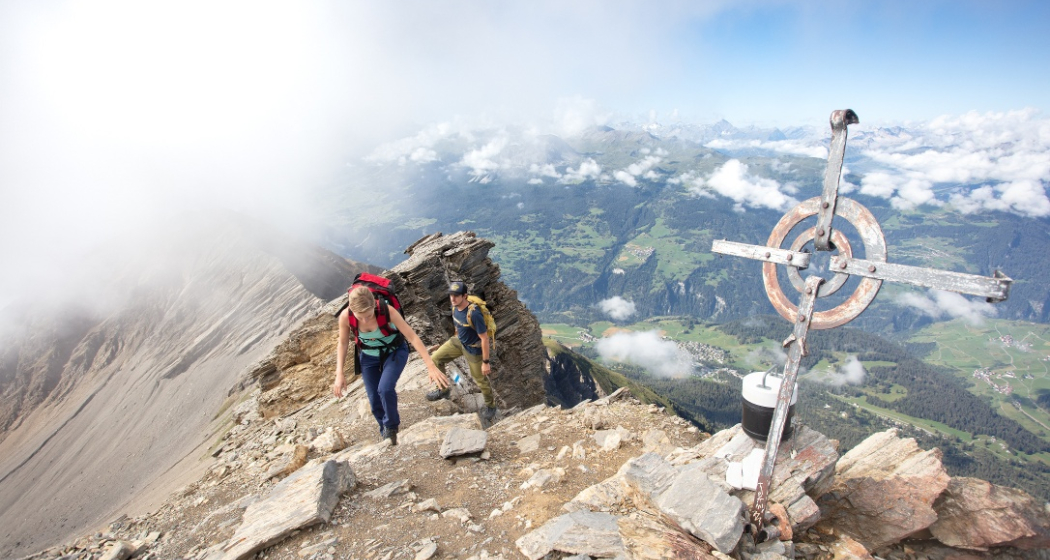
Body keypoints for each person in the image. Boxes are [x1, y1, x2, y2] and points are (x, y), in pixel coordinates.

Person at [332, 286, 448, 445]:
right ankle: (385, 431)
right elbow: (343, 343)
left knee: (385, 389)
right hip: (368, 356)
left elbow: (413, 337)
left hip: (394, 351)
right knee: (374, 399)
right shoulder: (345, 317)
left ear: (374, 305)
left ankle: (391, 426)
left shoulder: (388, 311)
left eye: (368, 315)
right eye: (361, 317)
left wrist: (430, 366)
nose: (365, 320)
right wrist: (339, 373)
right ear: (351, 309)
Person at [425, 281, 497, 420]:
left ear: (465, 296)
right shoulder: (454, 308)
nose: (453, 298)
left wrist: (486, 362)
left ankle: (491, 405)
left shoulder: (474, 314)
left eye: (456, 295)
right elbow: (459, 327)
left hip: (473, 350)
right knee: (435, 359)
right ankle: (444, 390)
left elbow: (484, 339)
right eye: (451, 295)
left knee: (480, 379)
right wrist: (447, 344)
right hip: (459, 342)